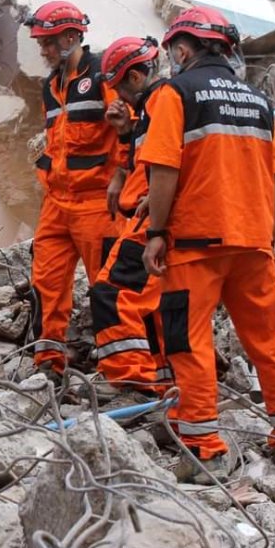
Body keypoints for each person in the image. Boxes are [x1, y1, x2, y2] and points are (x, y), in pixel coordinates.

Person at [138, 6, 275, 483]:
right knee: (270, 344)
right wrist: (272, 240)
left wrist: (156, 231)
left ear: (181, 49)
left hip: (197, 244)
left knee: (188, 341)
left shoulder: (177, 93)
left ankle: (204, 450)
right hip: (254, 243)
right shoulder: (259, 103)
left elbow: (163, 168)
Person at [21, 0, 125, 375]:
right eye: (41, 44)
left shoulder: (102, 76)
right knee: (45, 283)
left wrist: (122, 178)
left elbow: (130, 130)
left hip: (99, 203)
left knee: (110, 288)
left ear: (71, 36)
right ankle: (48, 362)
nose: (43, 51)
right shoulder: (51, 87)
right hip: (57, 203)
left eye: (48, 42)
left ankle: (126, 372)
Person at [87, 36, 173, 402]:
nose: (120, 94)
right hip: (144, 217)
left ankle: (133, 382)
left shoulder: (164, 104)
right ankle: (163, 379)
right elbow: (140, 161)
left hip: (148, 221)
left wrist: (154, 215)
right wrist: (125, 136)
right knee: (152, 308)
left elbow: (167, 164)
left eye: (122, 84)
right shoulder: (151, 111)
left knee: (111, 294)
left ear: (136, 77)